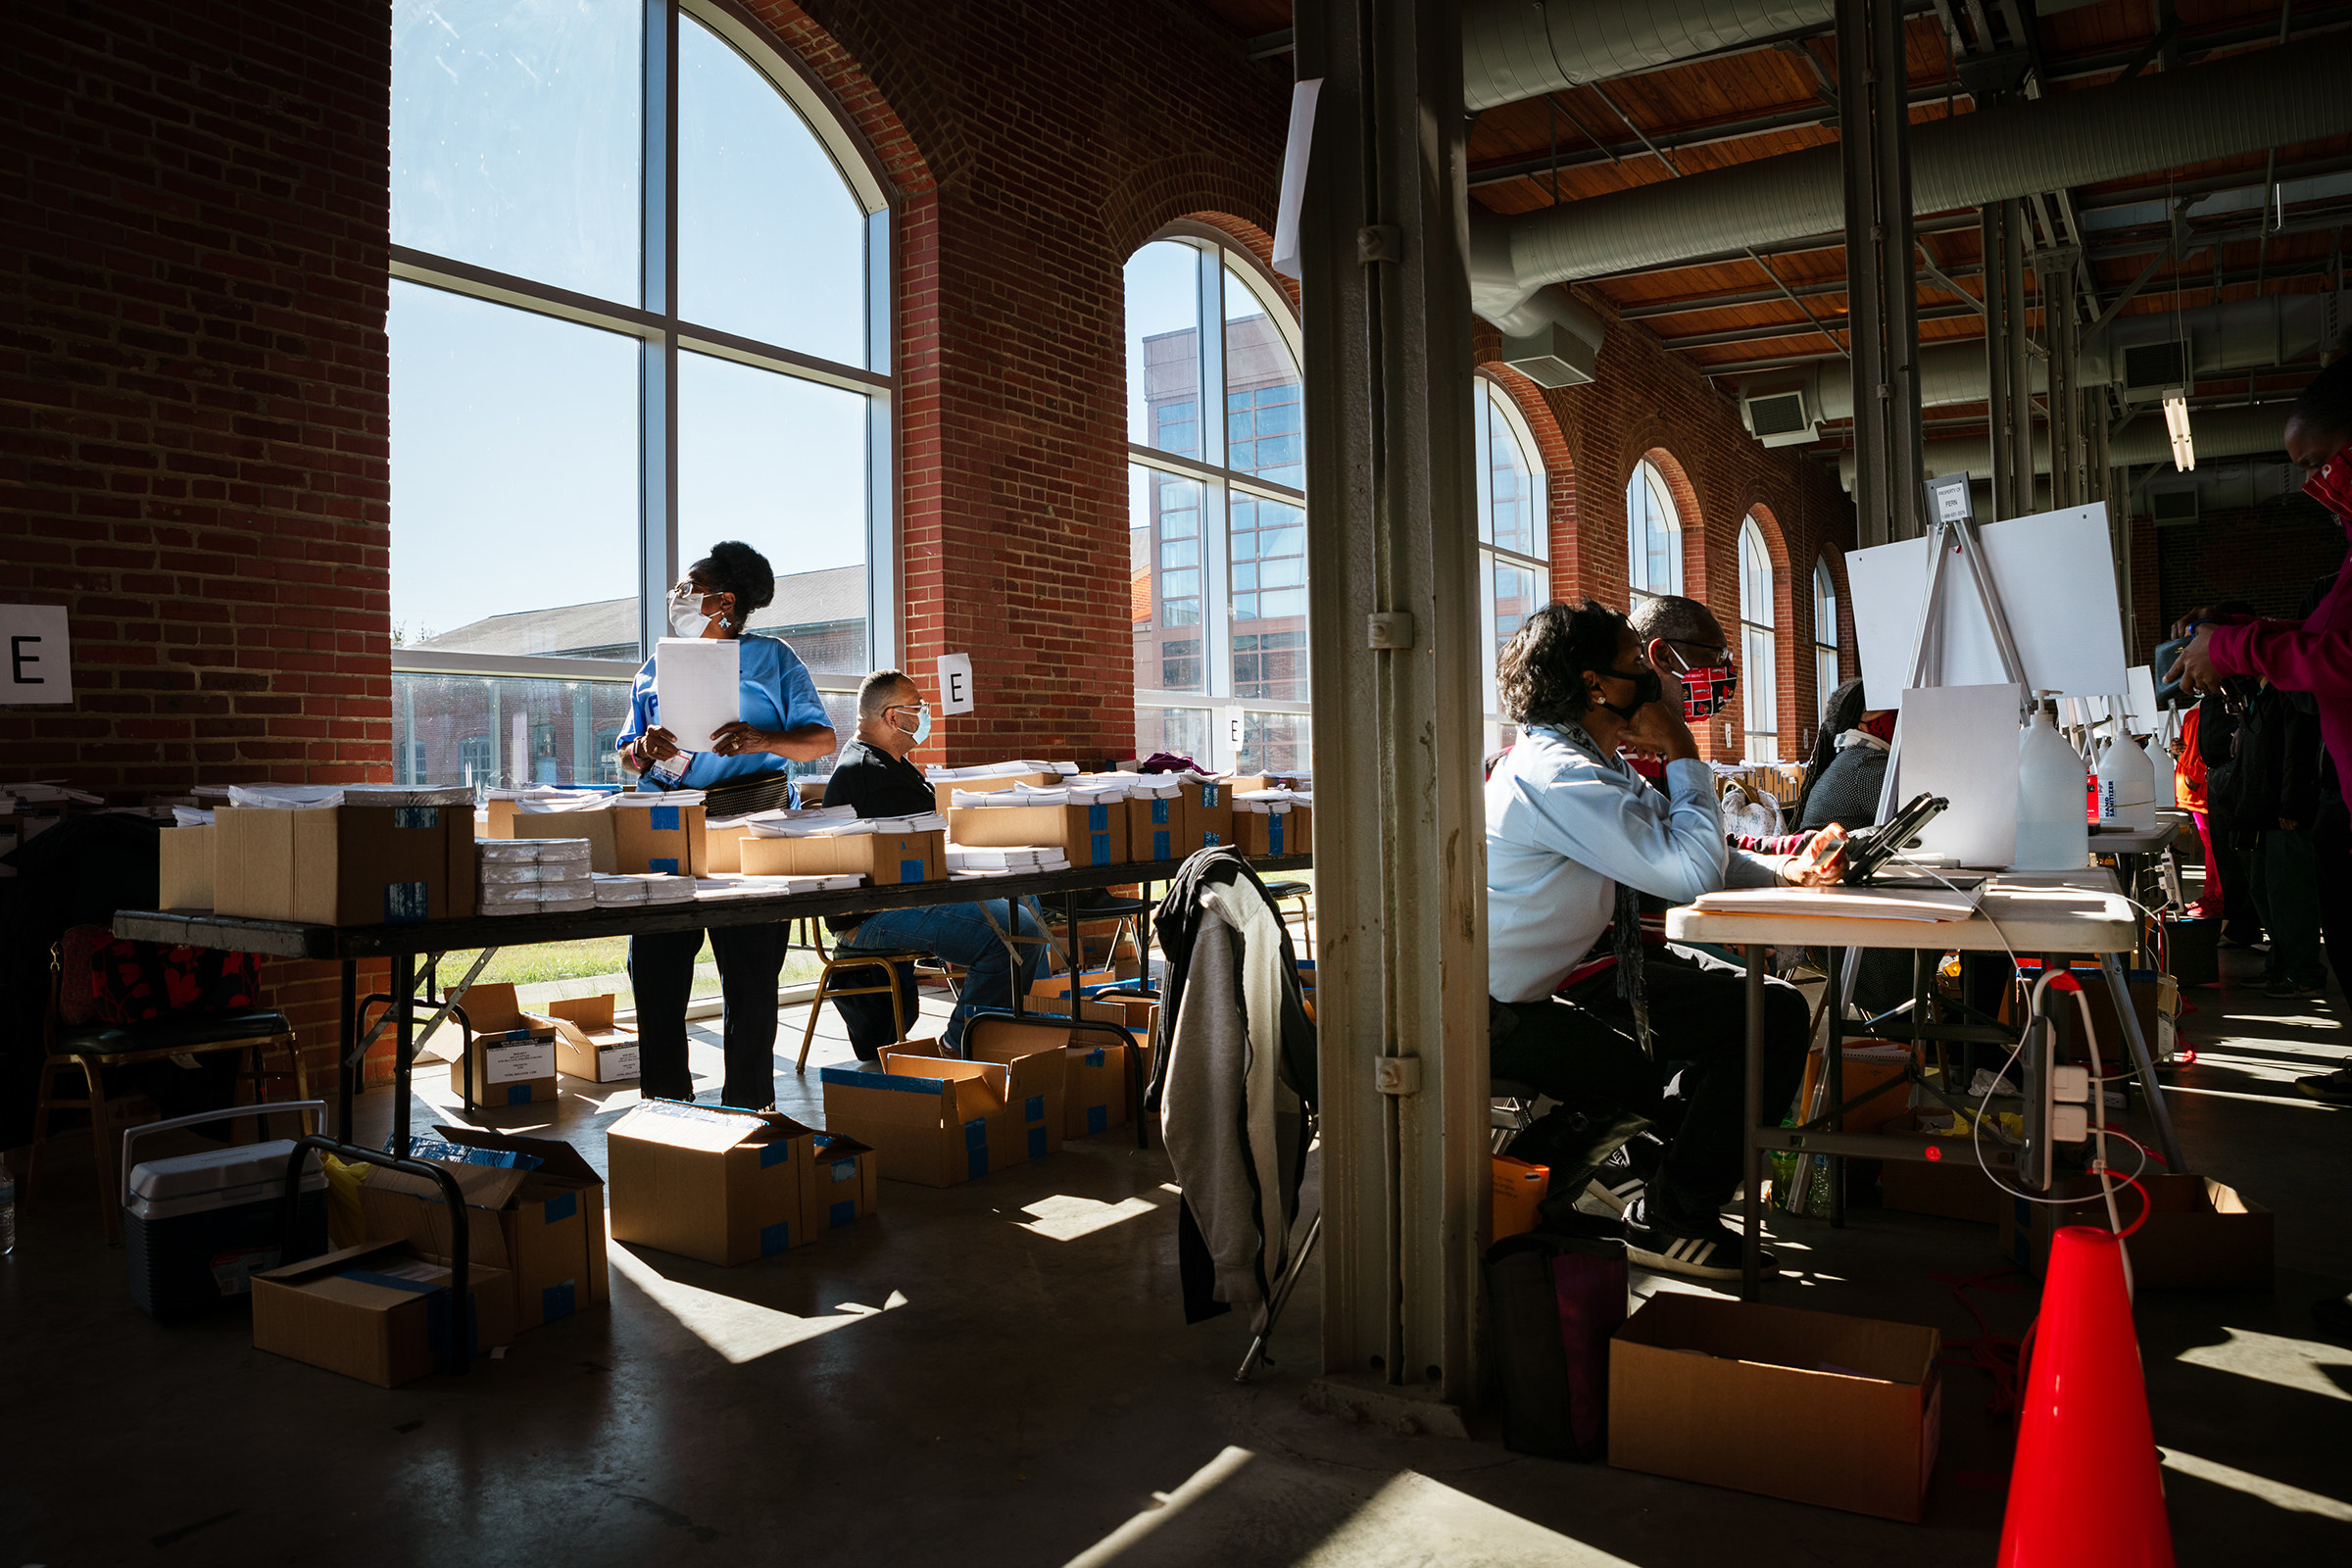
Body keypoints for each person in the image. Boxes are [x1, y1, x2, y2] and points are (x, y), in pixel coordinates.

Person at [1486, 600, 1843, 1280]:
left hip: (1526, 992)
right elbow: (1687, 873)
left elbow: (1682, 843)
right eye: (1633, 668)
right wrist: (1681, 748)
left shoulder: (1586, 762)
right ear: (1594, 684)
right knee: (1659, 1067)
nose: (1649, 684)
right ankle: (1621, 1210)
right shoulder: (1560, 776)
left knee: (1756, 1017)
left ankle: (1626, 1197)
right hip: (1495, 1011)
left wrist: (1782, 869)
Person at [616, 541, 838, 1109]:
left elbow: (821, 740)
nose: (678, 596)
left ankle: (750, 1109)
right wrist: (643, 748)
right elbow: (624, 755)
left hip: (750, 824)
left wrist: (763, 740)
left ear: (724, 601)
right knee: (657, 975)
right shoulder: (655, 664)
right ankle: (665, 1106)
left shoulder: (775, 659)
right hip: (669, 825)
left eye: (689, 587)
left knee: (751, 980)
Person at [822, 669, 1049, 1059]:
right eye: (918, 707)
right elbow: (929, 845)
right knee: (1011, 931)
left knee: (1025, 903)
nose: (924, 714)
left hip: (911, 896)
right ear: (893, 717)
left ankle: (1027, 1026)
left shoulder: (892, 764)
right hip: (873, 915)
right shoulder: (867, 774)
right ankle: (962, 1041)